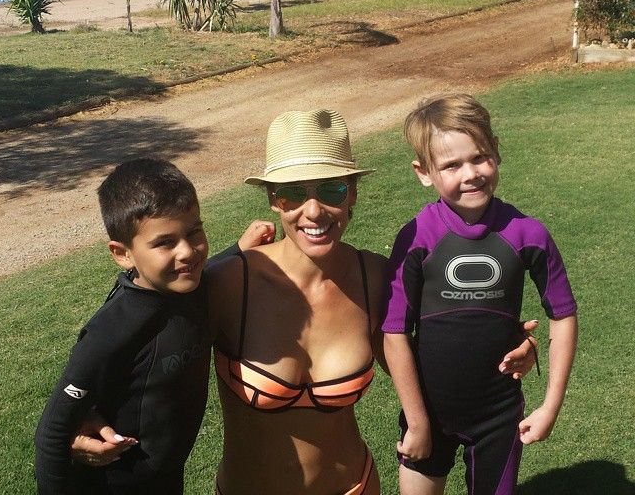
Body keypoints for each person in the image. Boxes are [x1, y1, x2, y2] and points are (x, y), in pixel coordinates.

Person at [69, 110, 539, 494]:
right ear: (274, 200)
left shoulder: (377, 278)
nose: (313, 211)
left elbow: (436, 352)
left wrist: (508, 348)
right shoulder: (231, 284)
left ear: (352, 194)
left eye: (332, 190)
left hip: (355, 486)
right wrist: (85, 413)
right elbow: (144, 347)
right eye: (293, 194)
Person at [34, 158, 274, 495]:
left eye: (194, 232)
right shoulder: (112, 330)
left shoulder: (189, 288)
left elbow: (204, 273)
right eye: (165, 243)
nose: (187, 251)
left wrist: (238, 250)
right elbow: (53, 431)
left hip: (167, 477)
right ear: (123, 254)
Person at [382, 94, 578, 495]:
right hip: (428, 412)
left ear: (496, 153)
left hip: (497, 417)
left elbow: (562, 315)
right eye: (451, 165)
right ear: (424, 172)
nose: (470, 174)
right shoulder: (416, 238)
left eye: (480, 157)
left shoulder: (529, 234)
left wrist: (550, 406)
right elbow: (394, 331)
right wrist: (417, 422)